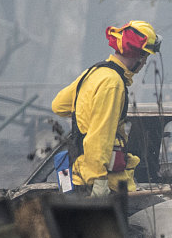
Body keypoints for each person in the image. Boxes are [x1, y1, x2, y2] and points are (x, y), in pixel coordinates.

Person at [51, 20, 161, 196]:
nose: (145, 63)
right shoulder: (113, 84)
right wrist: (99, 180)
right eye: (146, 57)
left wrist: (85, 112)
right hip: (102, 183)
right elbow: (100, 135)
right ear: (138, 56)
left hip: (80, 175)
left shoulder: (95, 72)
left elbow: (59, 105)